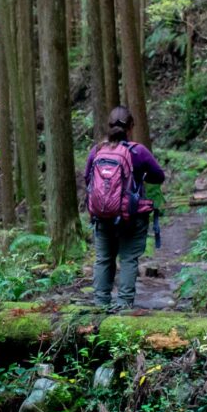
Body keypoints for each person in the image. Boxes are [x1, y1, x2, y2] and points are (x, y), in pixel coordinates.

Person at [84, 106, 165, 311]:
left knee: (103, 259)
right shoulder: (138, 151)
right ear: (131, 127)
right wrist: (141, 177)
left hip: (102, 216)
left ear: (109, 126)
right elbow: (159, 176)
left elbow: (87, 179)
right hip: (132, 216)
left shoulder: (97, 151)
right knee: (128, 259)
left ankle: (100, 306)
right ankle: (123, 306)